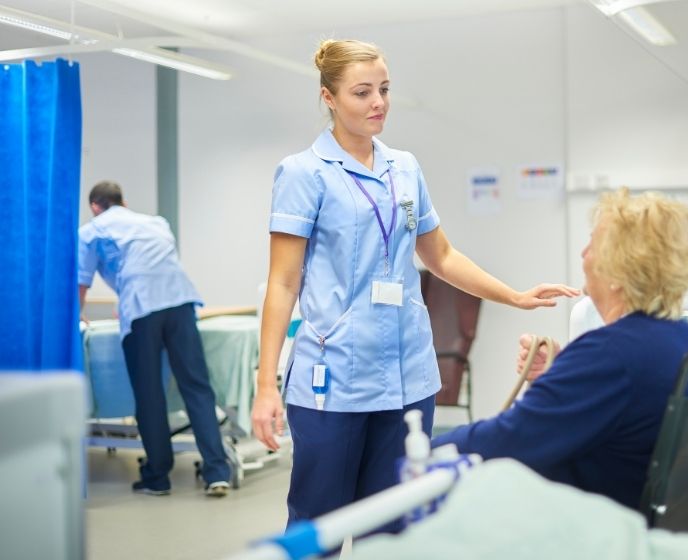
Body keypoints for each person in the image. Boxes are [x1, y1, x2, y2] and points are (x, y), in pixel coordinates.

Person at [251, 38, 580, 527]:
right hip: (334, 378)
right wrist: (265, 385)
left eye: (384, 89)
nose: (378, 102)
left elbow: (441, 256)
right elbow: (282, 283)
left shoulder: (403, 168)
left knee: (398, 524)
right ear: (329, 98)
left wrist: (513, 295)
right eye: (362, 92)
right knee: (318, 522)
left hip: (408, 375)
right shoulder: (304, 174)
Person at [433, 188, 688, 510]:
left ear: (618, 272)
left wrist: (425, 450)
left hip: (597, 527)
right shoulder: (687, 342)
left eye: (593, 246)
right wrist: (562, 376)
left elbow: (509, 441)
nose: (583, 254)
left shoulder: (612, 353)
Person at [78, 181, 231, 497]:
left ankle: (157, 477)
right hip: (181, 301)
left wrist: (78, 316)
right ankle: (217, 472)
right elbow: (158, 263)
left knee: (149, 395)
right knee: (197, 388)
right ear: (123, 201)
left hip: (142, 307)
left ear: (95, 206)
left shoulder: (91, 230)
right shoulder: (156, 222)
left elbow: (81, 283)